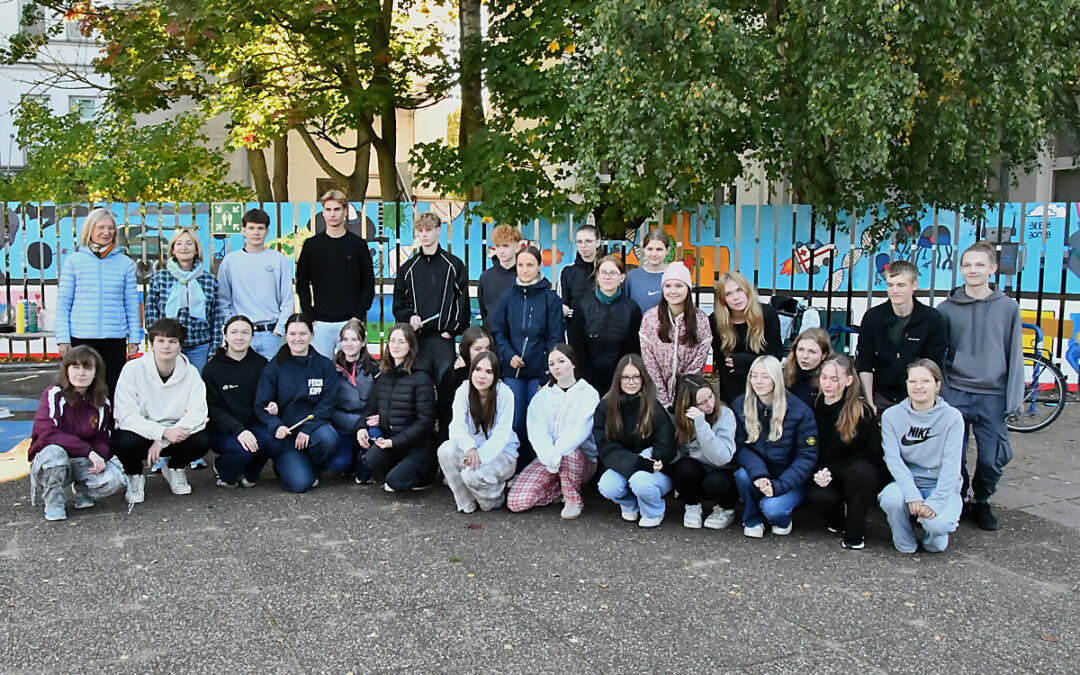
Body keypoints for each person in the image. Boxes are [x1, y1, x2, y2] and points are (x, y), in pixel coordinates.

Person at [937, 242, 1024, 532]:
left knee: (992, 457)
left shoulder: (1008, 308)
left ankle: (982, 499)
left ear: (992, 268)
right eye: (967, 265)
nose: (972, 270)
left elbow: (1015, 353)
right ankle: (959, 497)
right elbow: (939, 354)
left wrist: (1014, 398)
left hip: (992, 393)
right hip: (956, 390)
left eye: (979, 265)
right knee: (953, 455)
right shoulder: (946, 309)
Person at [112, 319, 210, 504]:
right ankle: (134, 475)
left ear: (180, 346)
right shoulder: (132, 370)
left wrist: (163, 440)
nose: (166, 346)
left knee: (202, 440)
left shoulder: (191, 373)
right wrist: (161, 432)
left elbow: (197, 414)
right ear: (151, 344)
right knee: (122, 441)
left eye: (173, 341)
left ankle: (175, 468)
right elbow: (125, 415)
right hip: (143, 433)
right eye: (161, 341)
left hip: (175, 434)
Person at [28, 346, 126, 521]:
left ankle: (83, 490)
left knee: (115, 478)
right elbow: (47, 434)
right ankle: (54, 502)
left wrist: (100, 454)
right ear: (66, 370)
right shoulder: (54, 395)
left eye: (87, 368)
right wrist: (88, 451)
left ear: (95, 373)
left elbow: (104, 435)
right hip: (52, 461)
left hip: (81, 461)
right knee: (55, 454)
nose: (81, 373)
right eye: (75, 367)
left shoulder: (102, 402)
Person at [878, 359, 964, 553]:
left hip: (940, 485)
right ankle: (904, 540)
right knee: (890, 498)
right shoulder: (891, 416)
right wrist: (911, 494)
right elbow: (893, 460)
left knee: (937, 528)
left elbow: (951, 466)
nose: (918, 386)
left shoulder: (952, 418)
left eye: (925, 381)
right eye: (912, 381)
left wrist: (936, 502)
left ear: (937, 385)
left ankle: (932, 538)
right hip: (907, 482)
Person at [490, 246, 564, 470]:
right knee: (514, 423)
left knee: (537, 424)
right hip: (513, 371)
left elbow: (555, 338)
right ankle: (515, 469)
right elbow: (498, 332)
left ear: (539, 266)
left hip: (539, 372)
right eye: (520, 265)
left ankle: (537, 470)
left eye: (530, 265)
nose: (524, 269)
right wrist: (509, 355)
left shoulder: (550, 299)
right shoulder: (507, 297)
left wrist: (547, 373)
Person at [55, 207, 142, 396]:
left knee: (112, 388)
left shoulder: (125, 263)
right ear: (90, 230)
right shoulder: (74, 262)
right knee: (81, 389)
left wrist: (135, 337)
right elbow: (63, 303)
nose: (106, 232)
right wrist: (63, 338)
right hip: (81, 337)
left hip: (114, 338)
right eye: (101, 227)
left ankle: (109, 417)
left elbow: (131, 304)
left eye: (110, 228)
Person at [507, 344, 600, 519]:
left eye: (561, 361)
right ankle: (560, 490)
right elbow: (537, 432)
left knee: (570, 452)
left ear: (573, 363)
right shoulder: (543, 396)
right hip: (548, 459)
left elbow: (581, 430)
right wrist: (549, 456)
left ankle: (573, 500)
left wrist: (557, 453)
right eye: (551, 364)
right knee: (517, 502)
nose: (556, 367)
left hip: (579, 459)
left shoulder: (588, 393)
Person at [254, 313, 341, 493]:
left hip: (315, 428)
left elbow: (329, 401)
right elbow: (261, 404)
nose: (297, 339)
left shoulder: (324, 365)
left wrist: (308, 427)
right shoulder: (274, 367)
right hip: (286, 433)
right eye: (292, 334)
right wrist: (275, 425)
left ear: (312, 335)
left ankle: (313, 468)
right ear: (285, 336)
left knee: (329, 438)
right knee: (300, 484)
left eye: (303, 333)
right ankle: (289, 465)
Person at [733, 355, 818, 538]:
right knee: (741, 475)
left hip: (788, 478)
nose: (758, 381)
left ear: (776, 379)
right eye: (754, 375)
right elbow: (740, 447)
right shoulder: (740, 404)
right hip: (759, 472)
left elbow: (806, 457)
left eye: (765, 376)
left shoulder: (801, 411)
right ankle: (753, 518)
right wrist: (759, 474)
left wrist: (780, 486)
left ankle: (781, 518)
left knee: (772, 508)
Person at [804, 355, 883, 549]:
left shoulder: (862, 412)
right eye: (824, 377)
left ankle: (855, 532)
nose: (827, 384)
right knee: (819, 497)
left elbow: (872, 454)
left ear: (848, 380)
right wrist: (818, 472)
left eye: (834, 379)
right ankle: (836, 520)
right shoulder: (812, 408)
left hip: (855, 475)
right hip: (825, 474)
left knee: (861, 472)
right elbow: (807, 447)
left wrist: (834, 470)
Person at [593, 354, 677, 528]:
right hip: (625, 464)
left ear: (643, 378)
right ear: (618, 380)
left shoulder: (654, 407)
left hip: (654, 469)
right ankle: (630, 503)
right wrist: (638, 462)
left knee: (640, 482)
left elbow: (666, 445)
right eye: (625, 377)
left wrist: (651, 459)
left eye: (635, 377)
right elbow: (606, 447)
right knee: (608, 486)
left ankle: (653, 511)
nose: (630, 382)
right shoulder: (605, 407)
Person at [856, 259, 947, 414]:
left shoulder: (932, 319)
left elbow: (934, 366)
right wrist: (869, 403)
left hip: (918, 396)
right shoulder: (873, 317)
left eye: (901, 285)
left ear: (914, 285)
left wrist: (924, 401)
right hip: (881, 395)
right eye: (890, 285)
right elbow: (865, 363)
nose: (894, 290)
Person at [357, 324, 438, 492]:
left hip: (418, 446)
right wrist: (362, 427)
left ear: (411, 346)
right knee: (371, 458)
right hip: (393, 443)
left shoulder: (421, 378)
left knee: (395, 482)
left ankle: (423, 475)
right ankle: (398, 472)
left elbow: (425, 421)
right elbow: (370, 407)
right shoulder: (384, 375)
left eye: (401, 342)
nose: (395, 346)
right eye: (392, 341)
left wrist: (394, 442)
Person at [393, 212, 470, 387]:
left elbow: (462, 301)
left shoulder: (453, 265)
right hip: (417, 339)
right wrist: (409, 317)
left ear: (438, 230)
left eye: (428, 230)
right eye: (420, 231)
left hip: (443, 339)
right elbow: (399, 302)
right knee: (419, 386)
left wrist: (451, 330)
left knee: (445, 385)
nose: (424, 235)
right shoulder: (408, 268)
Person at [296, 190, 376, 359]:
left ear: (345, 211)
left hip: (350, 322)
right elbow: (302, 283)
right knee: (320, 371)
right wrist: (310, 316)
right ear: (323, 213)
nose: (332, 214)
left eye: (337, 209)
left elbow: (368, 284)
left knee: (352, 370)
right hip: (320, 324)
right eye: (328, 209)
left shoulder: (358, 245)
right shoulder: (312, 245)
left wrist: (357, 317)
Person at [437, 351, 519, 513]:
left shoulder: (505, 393)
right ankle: (466, 502)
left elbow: (502, 434)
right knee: (445, 450)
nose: (482, 376)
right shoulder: (464, 390)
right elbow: (456, 425)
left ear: (496, 375)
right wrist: (470, 447)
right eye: (478, 370)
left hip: (501, 452)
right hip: (472, 449)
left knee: (471, 475)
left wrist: (479, 456)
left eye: (488, 372)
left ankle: (495, 498)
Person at [202, 315, 275, 489]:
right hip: (224, 429)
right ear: (225, 336)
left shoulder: (261, 364)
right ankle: (222, 469)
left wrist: (273, 404)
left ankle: (251, 472)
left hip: (254, 424)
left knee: (274, 441)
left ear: (252, 336)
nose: (239, 337)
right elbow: (213, 408)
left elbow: (269, 395)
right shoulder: (212, 368)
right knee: (242, 451)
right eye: (234, 332)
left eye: (245, 332)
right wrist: (238, 430)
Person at [216, 208, 295, 361]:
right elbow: (223, 299)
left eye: (260, 228)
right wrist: (232, 327)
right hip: (241, 334)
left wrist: (279, 330)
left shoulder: (278, 260)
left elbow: (287, 298)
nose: (256, 232)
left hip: (270, 333)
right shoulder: (231, 261)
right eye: (251, 228)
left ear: (267, 232)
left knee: (270, 376)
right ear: (244, 231)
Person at [144, 227, 223, 373]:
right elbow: (151, 314)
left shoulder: (209, 280)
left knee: (197, 385)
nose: (184, 248)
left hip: (200, 346)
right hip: (167, 346)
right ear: (173, 249)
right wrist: (157, 343)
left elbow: (216, 317)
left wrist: (214, 349)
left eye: (189, 243)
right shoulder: (160, 277)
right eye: (179, 243)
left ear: (196, 250)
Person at [666, 375, 738, 530]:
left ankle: (725, 509)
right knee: (683, 468)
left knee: (716, 480)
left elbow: (722, 458)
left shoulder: (725, 414)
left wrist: (701, 425)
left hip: (720, 472)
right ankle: (692, 505)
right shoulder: (679, 420)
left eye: (711, 396)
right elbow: (677, 455)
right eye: (702, 403)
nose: (710, 404)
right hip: (696, 473)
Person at [638, 263, 711, 408]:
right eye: (668, 286)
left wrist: (682, 395)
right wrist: (663, 399)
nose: (673, 291)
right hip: (655, 397)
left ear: (688, 288)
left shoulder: (701, 320)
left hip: (688, 396)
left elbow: (698, 363)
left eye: (679, 286)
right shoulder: (650, 319)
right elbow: (649, 363)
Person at [568, 254, 642, 392]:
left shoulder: (632, 310)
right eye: (603, 272)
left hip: (621, 382)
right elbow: (578, 349)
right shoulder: (582, 307)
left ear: (622, 278)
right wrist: (592, 384)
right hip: (587, 382)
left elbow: (633, 351)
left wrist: (619, 382)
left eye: (613, 273)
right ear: (597, 276)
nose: (608, 277)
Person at [711, 271, 784, 404]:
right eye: (728, 294)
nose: (736, 297)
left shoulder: (767, 314)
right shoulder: (715, 321)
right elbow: (722, 366)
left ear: (747, 291)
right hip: (732, 388)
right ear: (722, 299)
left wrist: (745, 362)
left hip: (764, 384)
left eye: (739, 290)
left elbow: (775, 356)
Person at [331, 319, 378, 483]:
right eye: (345, 339)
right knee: (339, 464)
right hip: (342, 424)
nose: (349, 344)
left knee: (376, 435)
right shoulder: (331, 368)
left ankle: (365, 469)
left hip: (366, 423)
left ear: (363, 342)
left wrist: (364, 424)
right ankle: (350, 462)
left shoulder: (374, 369)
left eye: (354, 339)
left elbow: (379, 400)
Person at [436, 326, 493, 446]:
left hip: (486, 436)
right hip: (455, 436)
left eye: (487, 348)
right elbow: (444, 407)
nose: (484, 353)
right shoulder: (453, 372)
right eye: (478, 349)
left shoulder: (494, 372)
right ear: (468, 350)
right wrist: (461, 374)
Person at [477, 224, 523, 333]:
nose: (501, 251)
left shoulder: (525, 275)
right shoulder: (486, 277)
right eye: (498, 246)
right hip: (493, 335)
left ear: (517, 247)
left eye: (506, 246)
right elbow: (484, 311)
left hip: (520, 335)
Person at [558, 223, 602, 324]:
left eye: (588, 241)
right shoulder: (567, 271)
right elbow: (562, 305)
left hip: (602, 327)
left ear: (598, 242)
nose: (583, 246)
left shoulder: (606, 270)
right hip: (574, 327)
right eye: (579, 242)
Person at [624, 229, 672, 313]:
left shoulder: (675, 275)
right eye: (650, 249)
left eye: (659, 249)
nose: (654, 254)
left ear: (667, 250)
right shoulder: (633, 276)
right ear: (643, 249)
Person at [783, 327, 833, 407]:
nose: (805, 356)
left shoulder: (829, 381)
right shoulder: (785, 374)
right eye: (801, 350)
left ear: (824, 355)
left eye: (812, 352)